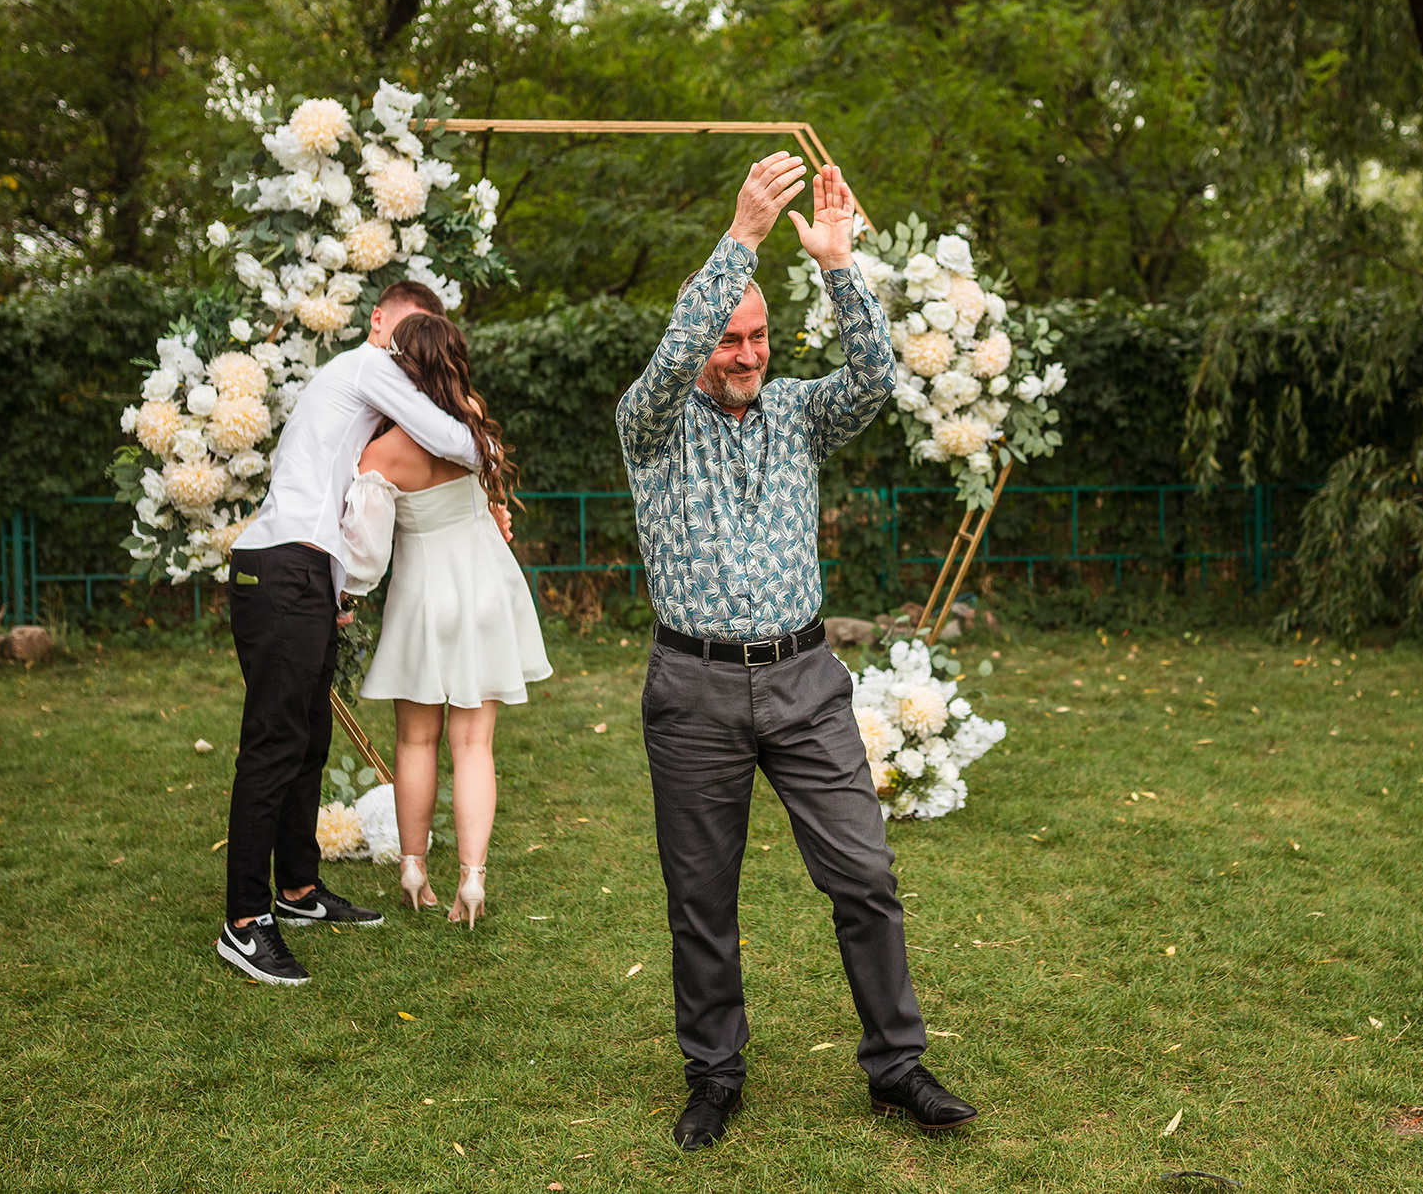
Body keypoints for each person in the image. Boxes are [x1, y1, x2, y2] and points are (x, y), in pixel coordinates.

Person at [619, 154, 979, 1149]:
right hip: (691, 688)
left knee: (863, 874)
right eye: (727, 338)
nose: (744, 355)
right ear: (698, 337)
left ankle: (896, 1065)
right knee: (701, 899)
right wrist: (741, 237)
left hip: (805, 682)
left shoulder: (799, 414)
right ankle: (714, 1074)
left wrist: (836, 266)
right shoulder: (650, 424)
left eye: (757, 336)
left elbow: (874, 378)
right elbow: (670, 358)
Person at [215, 279, 486, 987]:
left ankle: (297, 888)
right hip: (282, 569)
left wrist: (332, 587)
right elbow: (453, 441)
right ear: (378, 322)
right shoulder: (370, 365)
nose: (411, 351)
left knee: (308, 739)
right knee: (273, 744)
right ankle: (244, 922)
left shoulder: (361, 384)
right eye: (408, 332)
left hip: (304, 571)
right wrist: (482, 437)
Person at [339, 311, 551, 928]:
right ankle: (472, 879)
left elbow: (367, 548)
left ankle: (413, 869)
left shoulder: (381, 452)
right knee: (474, 744)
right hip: (485, 588)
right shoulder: (472, 421)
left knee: (415, 741)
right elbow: (488, 502)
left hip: (424, 597)